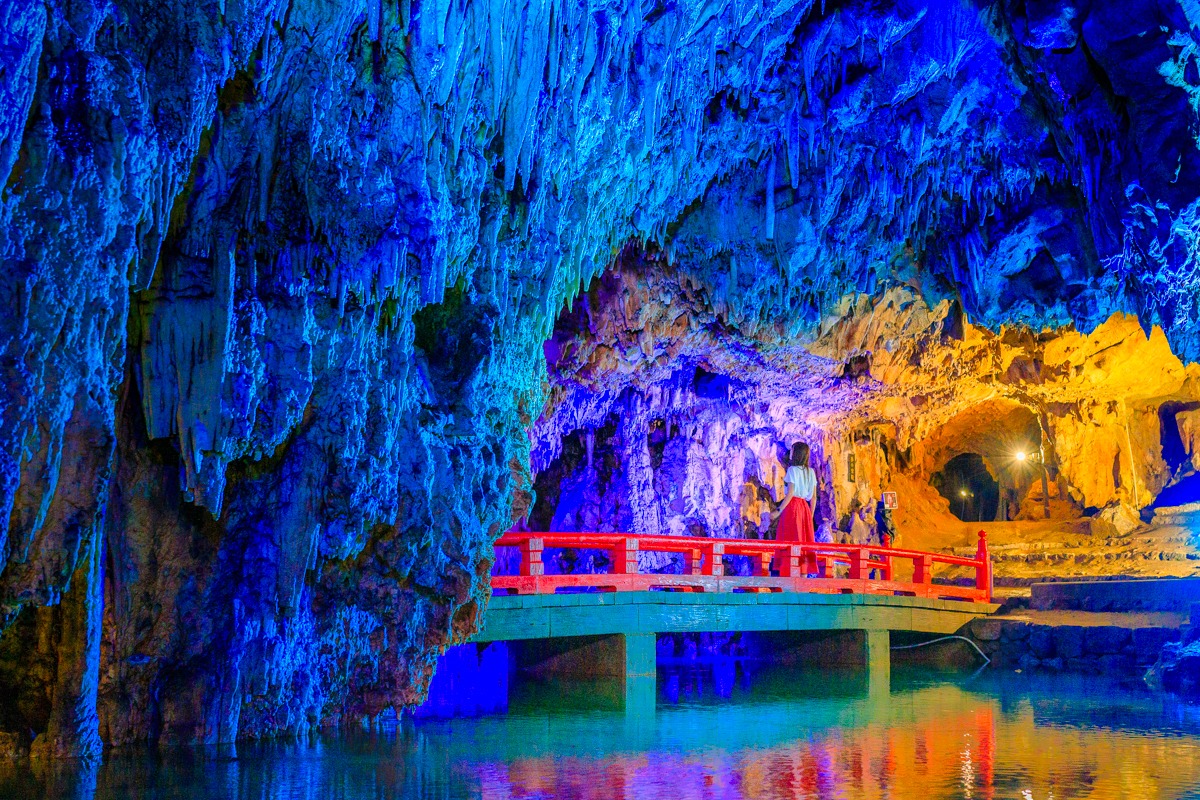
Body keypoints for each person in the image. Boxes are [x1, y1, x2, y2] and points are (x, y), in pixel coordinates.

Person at [773, 442, 817, 543]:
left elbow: (790, 493)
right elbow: (814, 497)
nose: (790, 452)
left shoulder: (792, 470)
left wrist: (778, 511)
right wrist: (810, 516)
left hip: (793, 507)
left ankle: (789, 554)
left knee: (791, 536)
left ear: (797, 453)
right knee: (802, 537)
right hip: (804, 507)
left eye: (792, 450)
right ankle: (801, 554)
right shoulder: (811, 472)